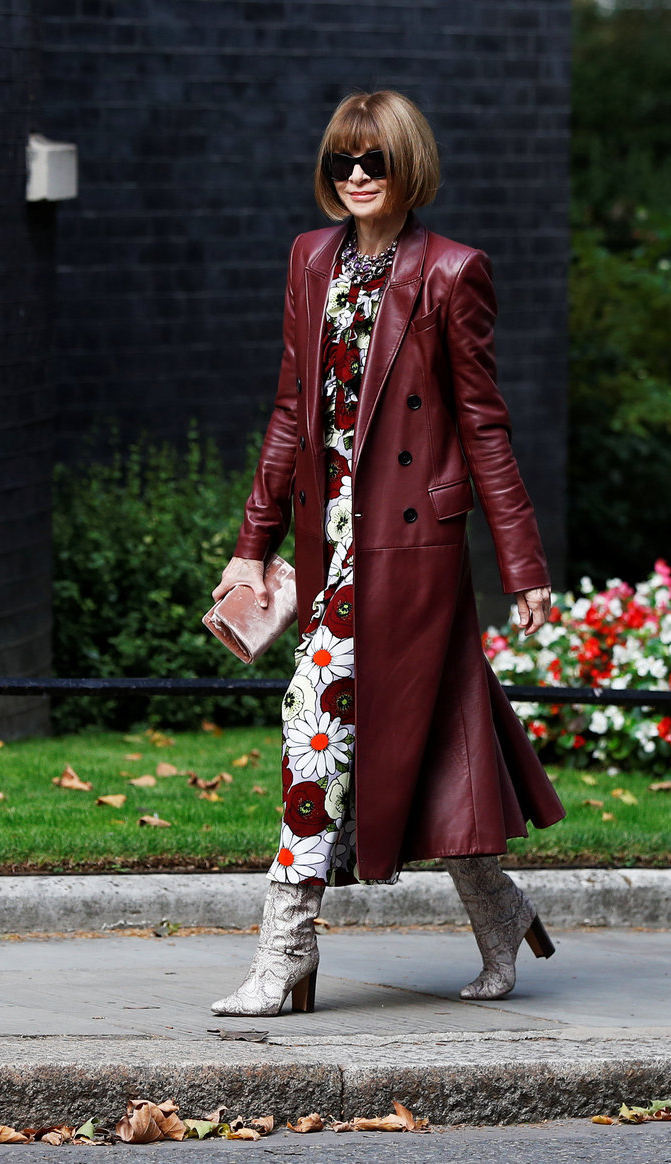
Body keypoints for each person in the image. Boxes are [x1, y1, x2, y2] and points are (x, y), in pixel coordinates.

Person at [210, 90, 565, 1018]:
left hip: (413, 549)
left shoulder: (453, 273)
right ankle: (488, 915)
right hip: (329, 549)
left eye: (373, 161)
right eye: (341, 163)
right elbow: (293, 409)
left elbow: (484, 426)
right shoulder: (309, 259)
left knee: (335, 737)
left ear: (407, 167)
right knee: (360, 739)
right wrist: (254, 548)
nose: (357, 177)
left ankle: (285, 957)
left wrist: (523, 567)